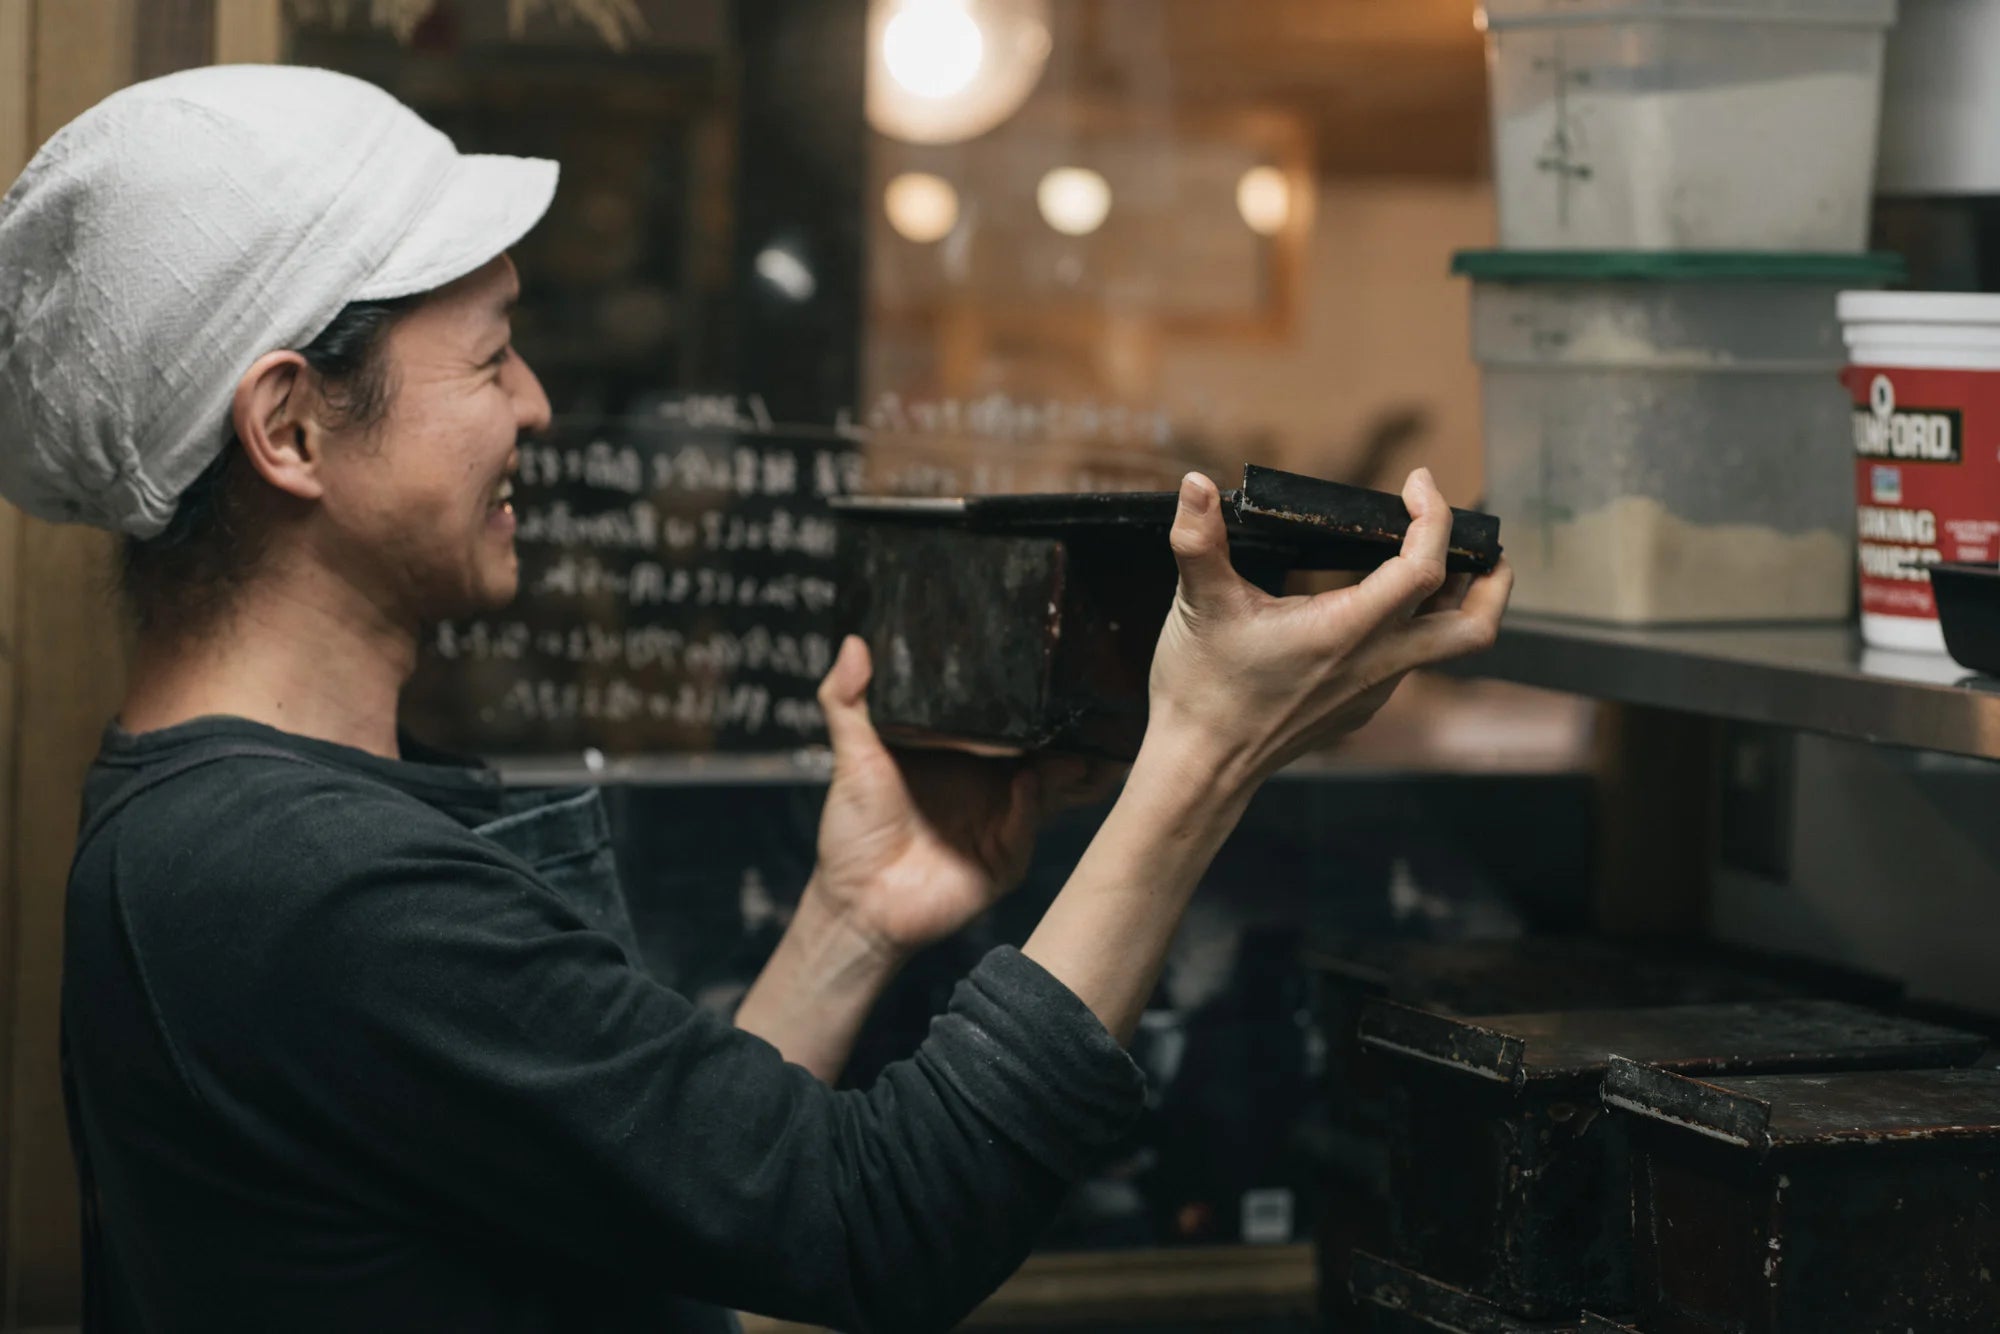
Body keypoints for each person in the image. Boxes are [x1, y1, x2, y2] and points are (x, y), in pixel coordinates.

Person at [0, 65, 1511, 1333]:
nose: (535, 405)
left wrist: (850, 920)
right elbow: (872, 1224)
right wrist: (1205, 752)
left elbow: (674, 1212)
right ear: (290, 425)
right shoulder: (297, 879)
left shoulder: (234, 830)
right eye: (491, 358)